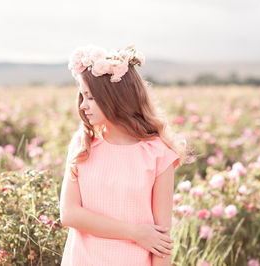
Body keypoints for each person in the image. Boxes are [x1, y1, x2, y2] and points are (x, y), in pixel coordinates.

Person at [59, 44, 188, 266]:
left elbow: (161, 240)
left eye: (90, 98)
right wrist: (136, 232)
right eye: (82, 96)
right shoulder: (83, 145)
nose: (83, 106)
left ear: (114, 99)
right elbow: (69, 214)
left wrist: (147, 237)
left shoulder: (157, 153)